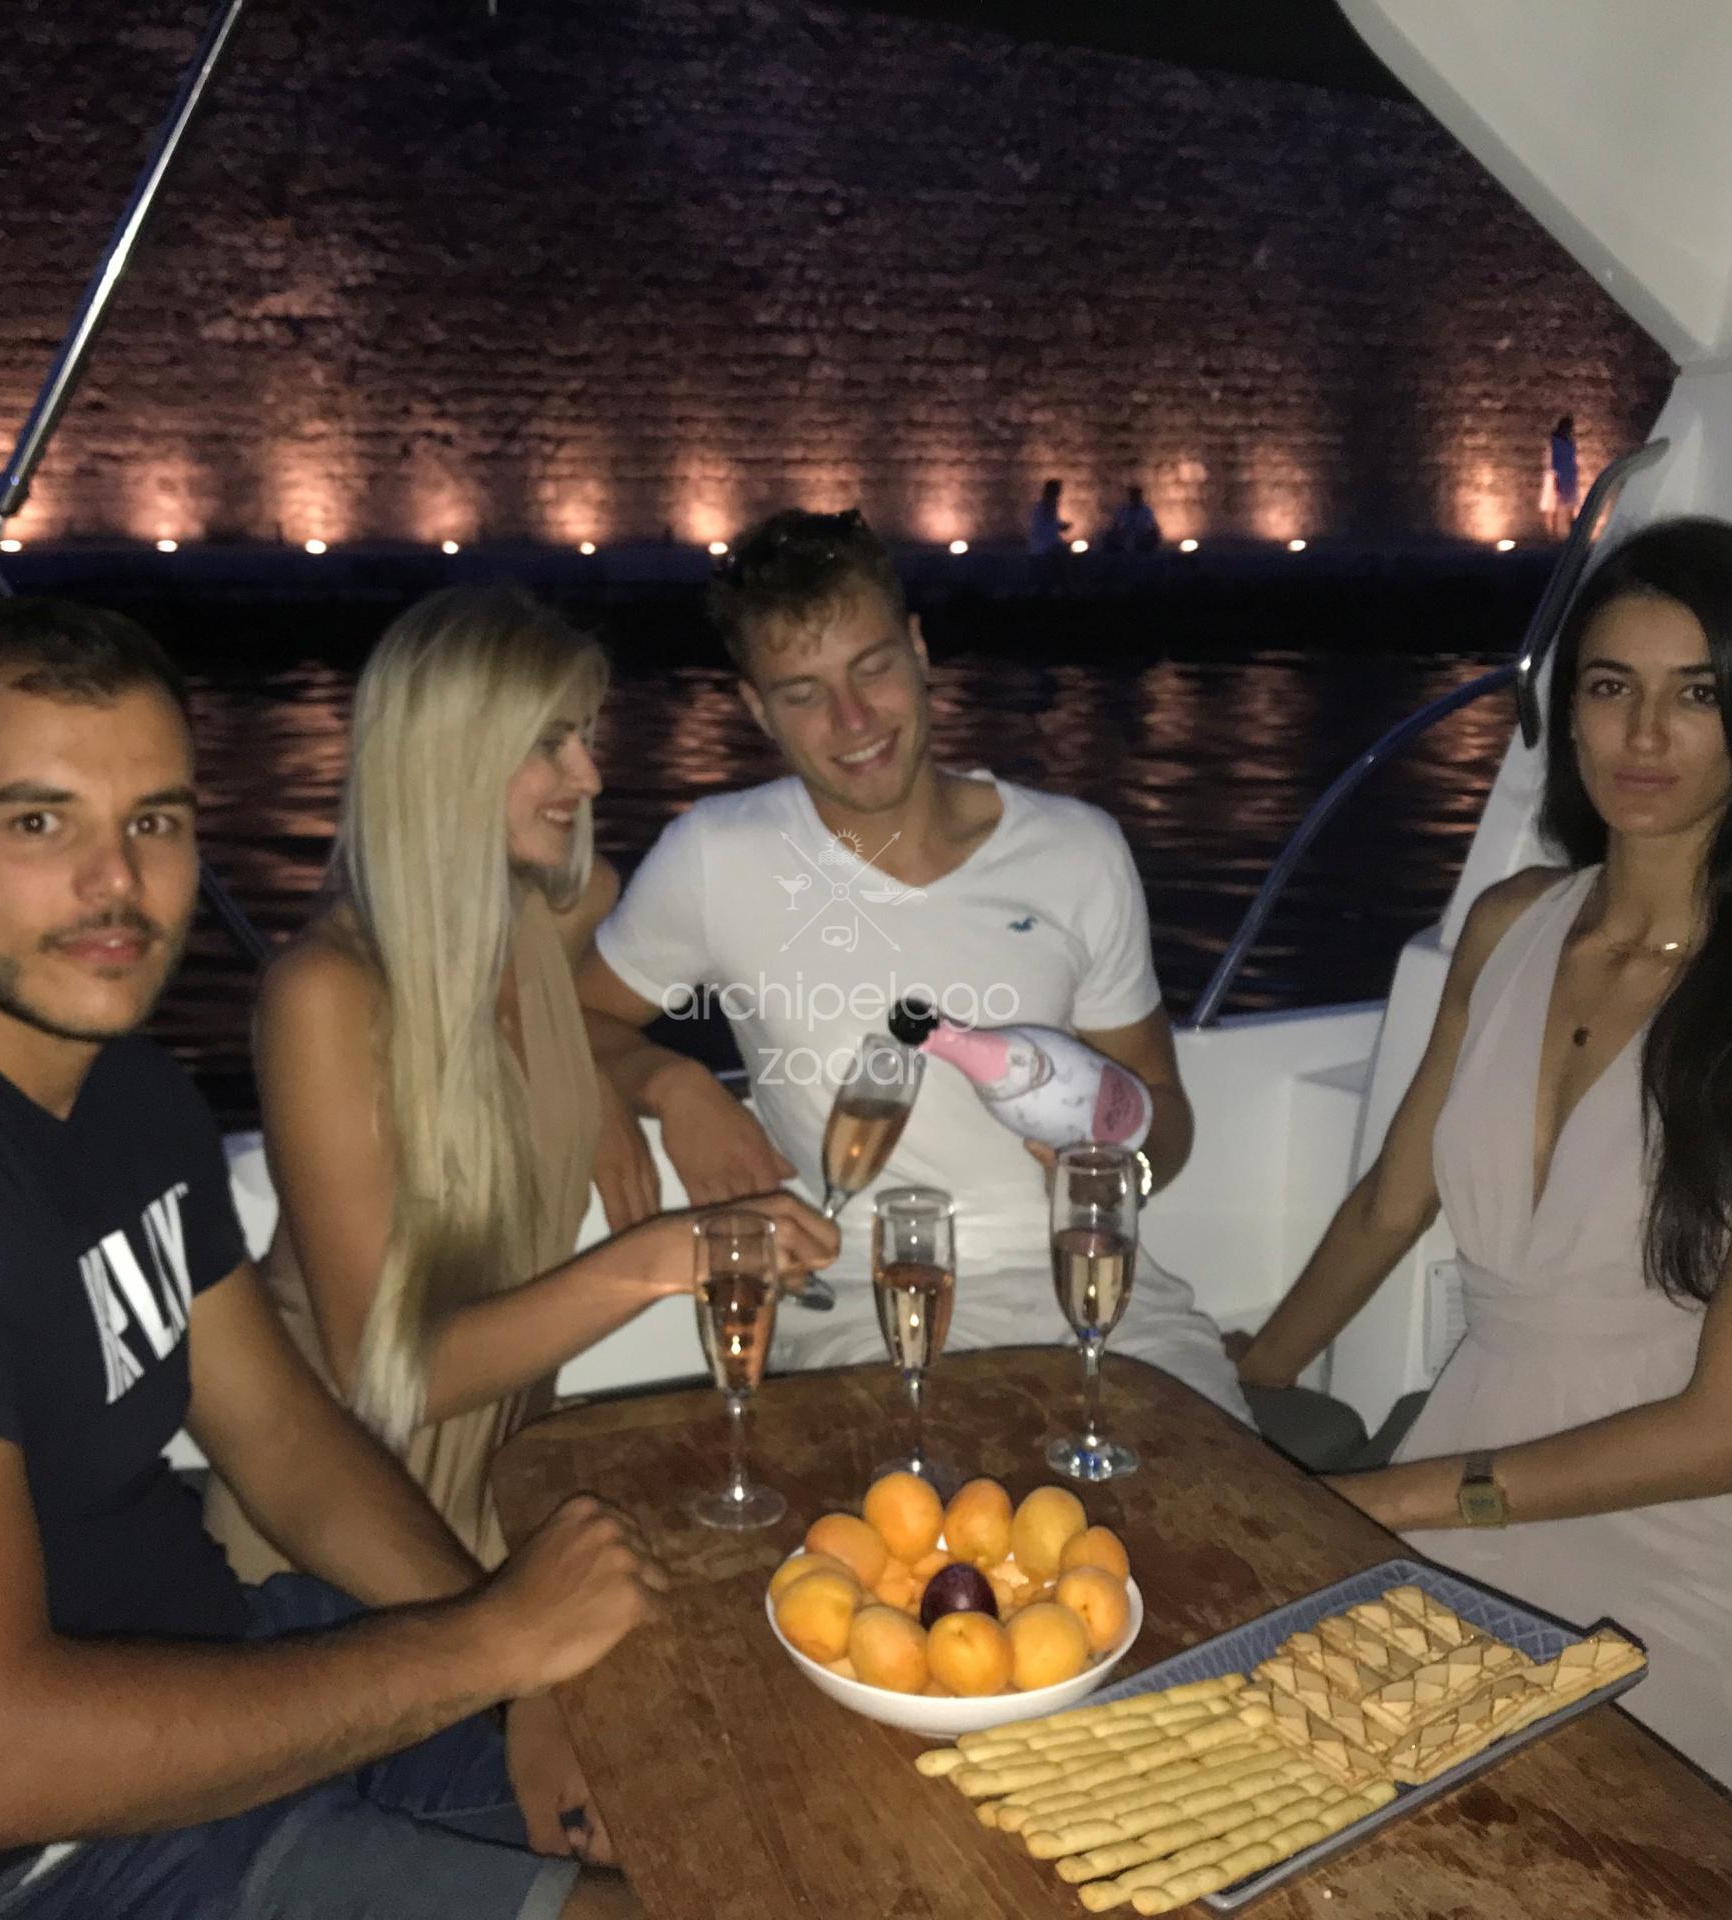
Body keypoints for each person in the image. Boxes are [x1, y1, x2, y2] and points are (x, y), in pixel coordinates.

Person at [0, 596, 664, 1920]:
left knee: (702, 1779)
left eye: (155, 823)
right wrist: (486, 1643)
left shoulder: (130, 1103)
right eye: (37, 822)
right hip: (44, 1867)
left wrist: (525, 1673)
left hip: (244, 1678)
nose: (114, 884)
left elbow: (290, 1445)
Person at [1230, 518, 1732, 1820]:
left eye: (1696, 694)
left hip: (1682, 1538)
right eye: (1612, 689)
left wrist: (1394, 1497)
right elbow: (1392, 1200)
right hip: (1467, 1454)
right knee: (1244, 1757)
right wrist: (1246, 1378)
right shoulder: (1508, 925)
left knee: (1483, 1821)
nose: (1643, 737)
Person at [204, 584, 833, 1586]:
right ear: (449, 757)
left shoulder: (560, 907)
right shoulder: (323, 995)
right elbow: (387, 1376)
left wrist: (656, 1077)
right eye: (551, 742)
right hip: (344, 1539)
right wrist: (667, 1256)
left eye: (585, 735)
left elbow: (552, 1032)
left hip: (510, 1492)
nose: (588, 773)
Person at [574, 508, 1249, 1425]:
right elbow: (570, 1013)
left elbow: (1161, 1108)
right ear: (756, 710)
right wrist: (672, 1083)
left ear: (920, 650)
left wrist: (1113, 1173)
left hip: (1091, 1282)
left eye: (873, 667)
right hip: (859, 1299)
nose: (853, 721)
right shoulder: (713, 856)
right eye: (803, 692)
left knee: (1225, 1519)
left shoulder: (1077, 849)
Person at [1542, 414, 1580, 539]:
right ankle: (1551, 534)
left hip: (1569, 475)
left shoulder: (1570, 442)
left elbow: (1572, 459)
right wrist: (1555, 479)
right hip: (1557, 475)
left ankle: (1572, 534)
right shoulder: (1555, 441)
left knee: (1570, 504)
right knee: (1553, 506)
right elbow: (1553, 461)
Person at [1105, 486, 1161, 555]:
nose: (1135, 498)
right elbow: (1116, 525)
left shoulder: (1146, 511)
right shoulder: (1122, 510)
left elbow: (1150, 527)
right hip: (1124, 538)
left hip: (1142, 538)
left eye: (1137, 496)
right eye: (1133, 496)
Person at [1027, 479, 1071, 557]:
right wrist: (1061, 526)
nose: (1060, 493)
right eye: (1058, 490)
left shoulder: (1044, 506)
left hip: (1044, 548)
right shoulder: (1046, 506)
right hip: (1045, 549)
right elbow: (1048, 527)